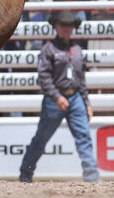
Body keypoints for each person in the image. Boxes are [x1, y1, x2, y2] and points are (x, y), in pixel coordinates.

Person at [19, 10, 100, 183]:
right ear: (56, 26)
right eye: (63, 25)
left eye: (69, 25)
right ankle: (26, 173)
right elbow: (43, 77)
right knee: (41, 138)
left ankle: (92, 176)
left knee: (84, 137)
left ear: (72, 27)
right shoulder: (48, 49)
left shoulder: (77, 49)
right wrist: (56, 97)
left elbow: (81, 78)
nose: (66, 28)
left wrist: (87, 102)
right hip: (54, 101)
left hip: (75, 97)